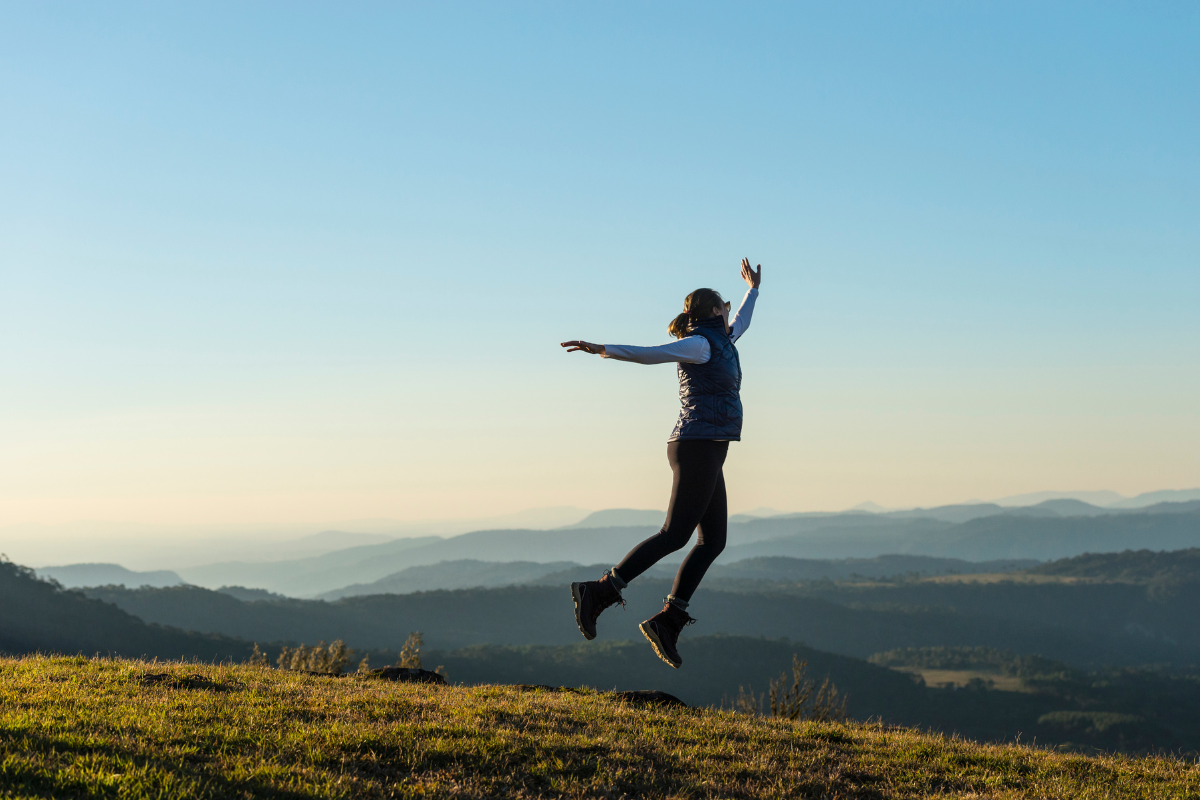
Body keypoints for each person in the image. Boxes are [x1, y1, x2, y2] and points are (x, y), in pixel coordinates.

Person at [560, 257, 762, 668]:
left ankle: (668, 620)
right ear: (710, 311)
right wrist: (604, 350)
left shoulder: (723, 338)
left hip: (711, 446)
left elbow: (743, 320)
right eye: (724, 304)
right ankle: (598, 591)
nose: (729, 310)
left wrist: (753, 290)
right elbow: (651, 354)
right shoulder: (700, 344)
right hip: (695, 445)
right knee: (676, 534)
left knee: (713, 541)